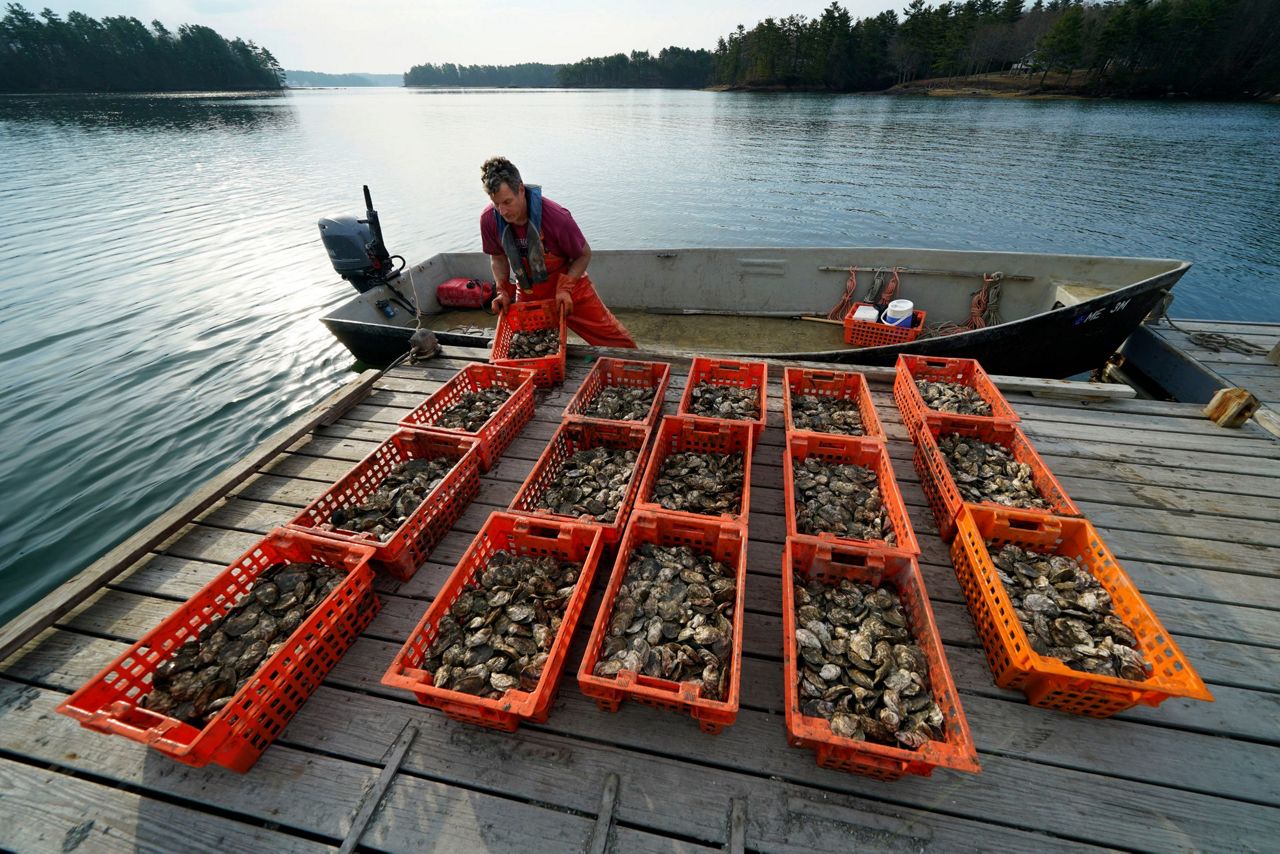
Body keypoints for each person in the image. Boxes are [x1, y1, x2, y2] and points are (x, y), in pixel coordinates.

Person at [480, 157, 636, 348]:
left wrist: (565, 288)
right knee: (526, 347)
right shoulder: (489, 219)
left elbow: (583, 254)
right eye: (496, 204)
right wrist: (502, 291)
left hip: (571, 288)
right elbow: (497, 257)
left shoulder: (557, 217)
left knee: (618, 344)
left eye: (507, 202)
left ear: (520, 189)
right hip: (529, 291)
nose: (502, 211)